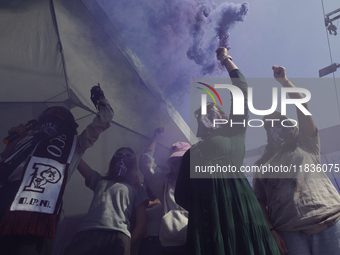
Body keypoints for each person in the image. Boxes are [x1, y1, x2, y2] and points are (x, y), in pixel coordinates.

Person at [174, 47, 280, 255]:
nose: (206, 116)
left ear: (223, 116)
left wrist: (226, 59)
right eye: (202, 115)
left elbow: (241, 90)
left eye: (212, 111)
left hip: (242, 211)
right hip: (208, 223)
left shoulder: (234, 131)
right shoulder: (190, 153)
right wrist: (206, 205)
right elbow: (181, 195)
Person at [0, 85, 114, 255]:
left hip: (38, 212)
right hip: (7, 199)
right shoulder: (30, 139)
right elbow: (4, 167)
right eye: (48, 116)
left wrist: (100, 98)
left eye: (58, 117)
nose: (52, 119)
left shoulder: (75, 144)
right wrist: (16, 140)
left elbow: (104, 119)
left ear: (66, 124)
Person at [253, 66, 340, 255]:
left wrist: (285, 82)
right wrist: (271, 231)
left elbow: (302, 105)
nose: (275, 127)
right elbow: (259, 201)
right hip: (288, 234)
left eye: (280, 122)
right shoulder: (261, 166)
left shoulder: (305, 143)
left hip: (329, 221)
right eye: (270, 125)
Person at [64, 147, 148, 255]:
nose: (123, 159)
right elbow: (78, 159)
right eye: (119, 155)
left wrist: (125, 243)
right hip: (88, 231)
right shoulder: (100, 180)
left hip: (118, 235)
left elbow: (142, 225)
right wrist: (71, 143)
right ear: (113, 160)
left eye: (128, 156)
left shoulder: (137, 188)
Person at [139, 127, 190, 255]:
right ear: (171, 163)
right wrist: (156, 138)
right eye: (176, 161)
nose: (179, 164)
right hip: (174, 243)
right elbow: (146, 165)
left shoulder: (201, 182)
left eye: (183, 160)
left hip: (199, 240)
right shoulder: (165, 182)